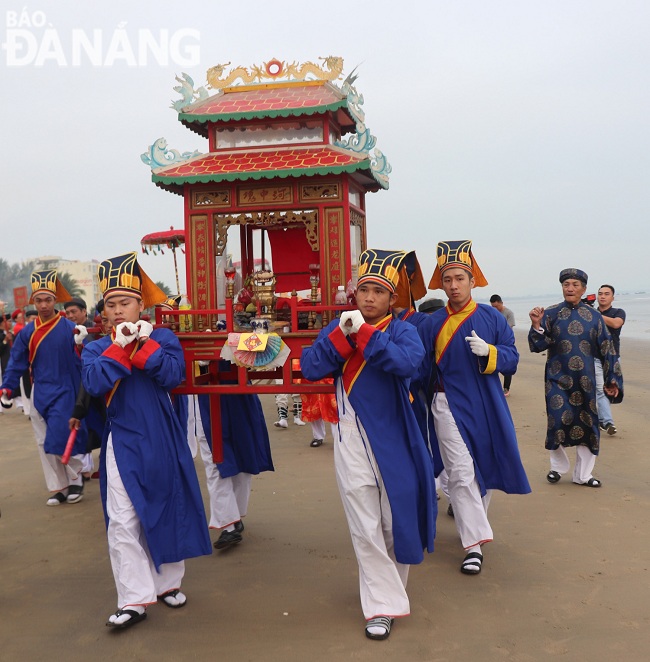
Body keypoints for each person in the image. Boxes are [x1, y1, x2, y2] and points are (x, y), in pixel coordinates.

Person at [300, 248, 436, 642]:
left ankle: (389, 589)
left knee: (394, 519)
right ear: (355, 293)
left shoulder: (403, 330)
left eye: (378, 291)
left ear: (393, 299)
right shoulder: (337, 326)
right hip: (349, 435)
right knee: (363, 520)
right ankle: (381, 605)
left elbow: (408, 365)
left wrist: (361, 335)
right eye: (364, 290)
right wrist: (343, 338)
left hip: (395, 434)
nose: (370, 298)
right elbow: (310, 367)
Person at [81, 252, 211, 629]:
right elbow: (93, 383)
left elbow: (173, 375)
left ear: (141, 305)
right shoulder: (94, 347)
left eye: (125, 303)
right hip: (121, 440)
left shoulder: (164, 338)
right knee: (122, 519)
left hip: (162, 435)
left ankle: (168, 584)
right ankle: (134, 597)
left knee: (165, 504)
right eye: (111, 304)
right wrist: (121, 347)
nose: (118, 310)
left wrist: (142, 346)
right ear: (103, 312)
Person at [416, 240, 531, 576]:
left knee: (484, 467)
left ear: (472, 281)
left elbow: (512, 360)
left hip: (487, 403)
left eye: (460, 279)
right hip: (446, 402)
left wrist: (490, 353)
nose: (453, 285)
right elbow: (419, 367)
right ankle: (474, 544)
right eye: (448, 279)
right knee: (461, 471)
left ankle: (472, 526)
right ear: (441, 281)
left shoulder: (492, 318)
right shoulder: (431, 323)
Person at [0, 270, 88, 505]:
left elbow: (83, 359)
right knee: (42, 441)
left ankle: (76, 477)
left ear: (55, 300)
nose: (43, 304)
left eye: (48, 299)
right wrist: (7, 388)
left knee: (59, 435)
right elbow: (17, 360)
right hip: (40, 391)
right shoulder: (28, 332)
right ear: (33, 301)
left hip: (66, 389)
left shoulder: (71, 328)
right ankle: (58, 486)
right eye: (38, 300)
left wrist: (81, 345)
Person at [528, 268, 622, 488]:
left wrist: (612, 380)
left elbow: (607, 348)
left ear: (584, 289)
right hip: (557, 378)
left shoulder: (595, 316)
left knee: (588, 426)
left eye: (575, 285)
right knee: (556, 422)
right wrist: (536, 325)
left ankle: (583, 475)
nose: (569, 288)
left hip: (586, 380)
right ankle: (557, 468)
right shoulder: (549, 314)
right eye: (566, 284)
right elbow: (537, 346)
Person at [193, 387, 274, 549]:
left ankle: (233, 516)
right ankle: (228, 524)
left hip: (239, 391)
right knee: (215, 460)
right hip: (207, 395)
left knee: (243, 457)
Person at [595, 284, 626, 435]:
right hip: (594, 357)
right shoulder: (590, 312)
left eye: (606, 294)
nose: (602, 296)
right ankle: (608, 423)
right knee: (600, 389)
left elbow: (616, 323)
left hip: (613, 357)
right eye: (600, 293)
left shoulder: (618, 312)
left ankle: (601, 420)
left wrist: (594, 316)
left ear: (612, 297)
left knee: (613, 388)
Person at [489, 294, 516, 396]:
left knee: (507, 365)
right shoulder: (492, 314)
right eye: (493, 307)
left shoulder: (508, 313)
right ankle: (494, 388)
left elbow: (508, 328)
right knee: (493, 365)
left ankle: (506, 388)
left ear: (501, 303)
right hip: (494, 342)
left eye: (497, 306)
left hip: (507, 342)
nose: (495, 308)